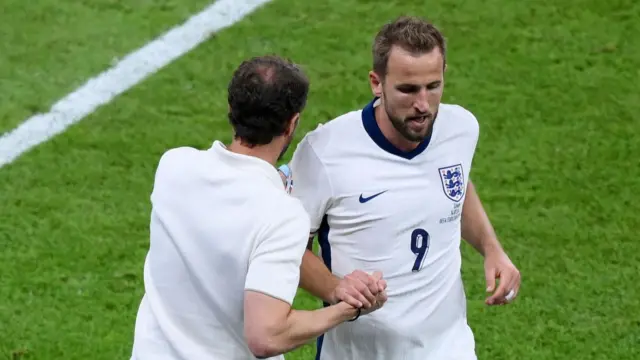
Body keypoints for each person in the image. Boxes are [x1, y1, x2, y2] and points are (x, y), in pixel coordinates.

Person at [286, 16, 522, 360]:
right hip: (359, 352)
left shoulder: (461, 129)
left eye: (433, 86)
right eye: (408, 90)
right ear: (376, 83)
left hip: (448, 347)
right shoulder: (325, 153)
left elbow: (455, 186)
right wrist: (337, 288)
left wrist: (492, 248)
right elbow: (288, 248)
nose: (423, 105)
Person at [129, 55, 387, 360]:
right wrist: (344, 311)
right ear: (292, 124)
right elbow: (266, 336)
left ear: (231, 109)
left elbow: (226, 209)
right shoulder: (281, 214)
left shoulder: (173, 166)